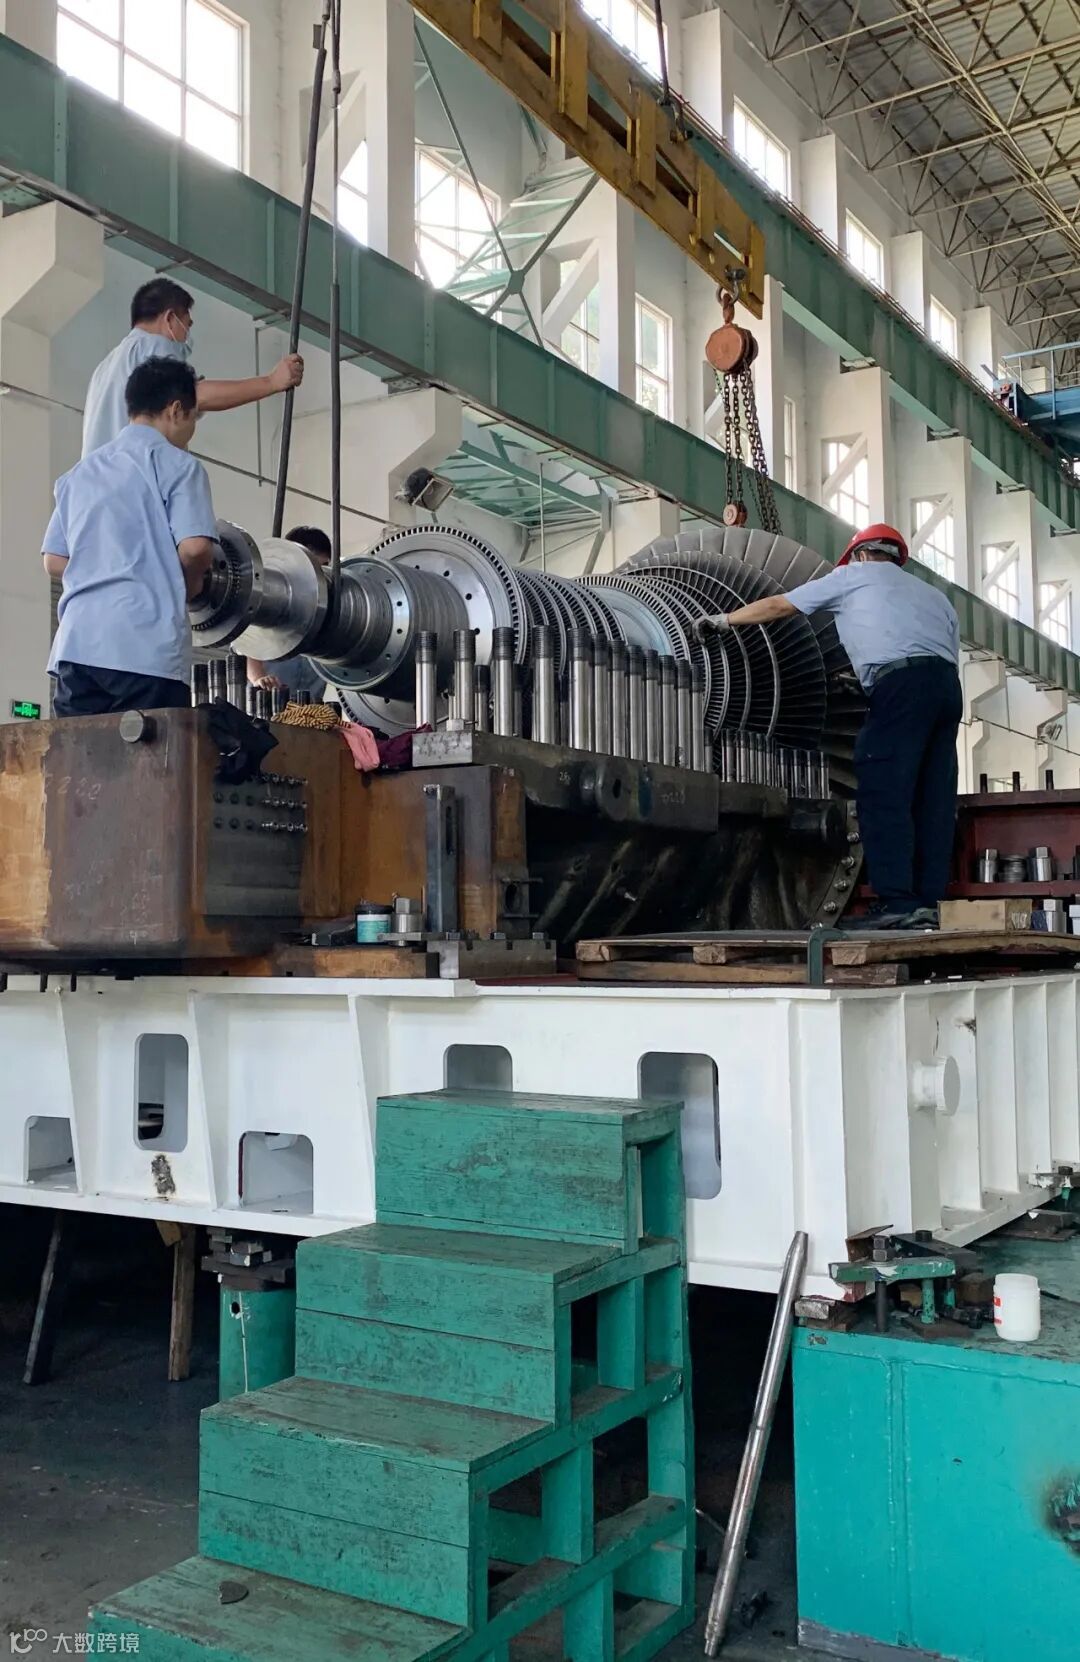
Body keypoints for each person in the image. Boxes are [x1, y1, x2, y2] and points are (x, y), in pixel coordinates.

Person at [696, 523, 962, 926]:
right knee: (932, 798)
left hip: (900, 689)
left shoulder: (851, 577)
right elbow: (930, 655)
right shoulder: (934, 596)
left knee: (884, 791)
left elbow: (780, 606)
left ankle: (898, 905)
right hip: (946, 691)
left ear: (859, 555)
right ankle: (930, 904)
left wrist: (724, 620)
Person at [43, 358, 218, 718]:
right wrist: (190, 583)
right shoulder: (179, 465)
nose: (191, 431)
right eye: (193, 419)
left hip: (77, 648)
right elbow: (195, 547)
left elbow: (54, 560)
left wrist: (103, 565)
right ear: (176, 410)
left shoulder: (79, 474)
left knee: (77, 753)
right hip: (144, 649)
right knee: (149, 755)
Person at [82, 278, 304, 457]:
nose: (187, 336)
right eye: (186, 326)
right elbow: (197, 395)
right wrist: (271, 382)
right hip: (135, 484)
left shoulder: (105, 367)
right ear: (170, 319)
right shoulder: (153, 344)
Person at [245, 526, 332, 703]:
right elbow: (247, 650)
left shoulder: (330, 610)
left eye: (324, 568)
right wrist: (259, 679)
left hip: (310, 711)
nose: (320, 577)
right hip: (266, 705)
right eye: (314, 568)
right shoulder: (268, 600)